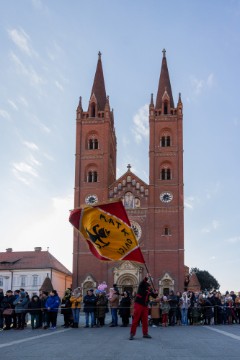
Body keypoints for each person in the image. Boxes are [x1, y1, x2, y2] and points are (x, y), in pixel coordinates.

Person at [129, 274, 158, 340]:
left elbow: (154, 296)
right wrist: (147, 277)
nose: (150, 281)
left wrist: (156, 293)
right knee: (136, 319)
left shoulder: (149, 287)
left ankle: (145, 333)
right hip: (139, 303)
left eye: (151, 280)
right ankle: (132, 333)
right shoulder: (142, 284)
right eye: (150, 280)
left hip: (145, 305)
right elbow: (143, 282)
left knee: (145, 320)